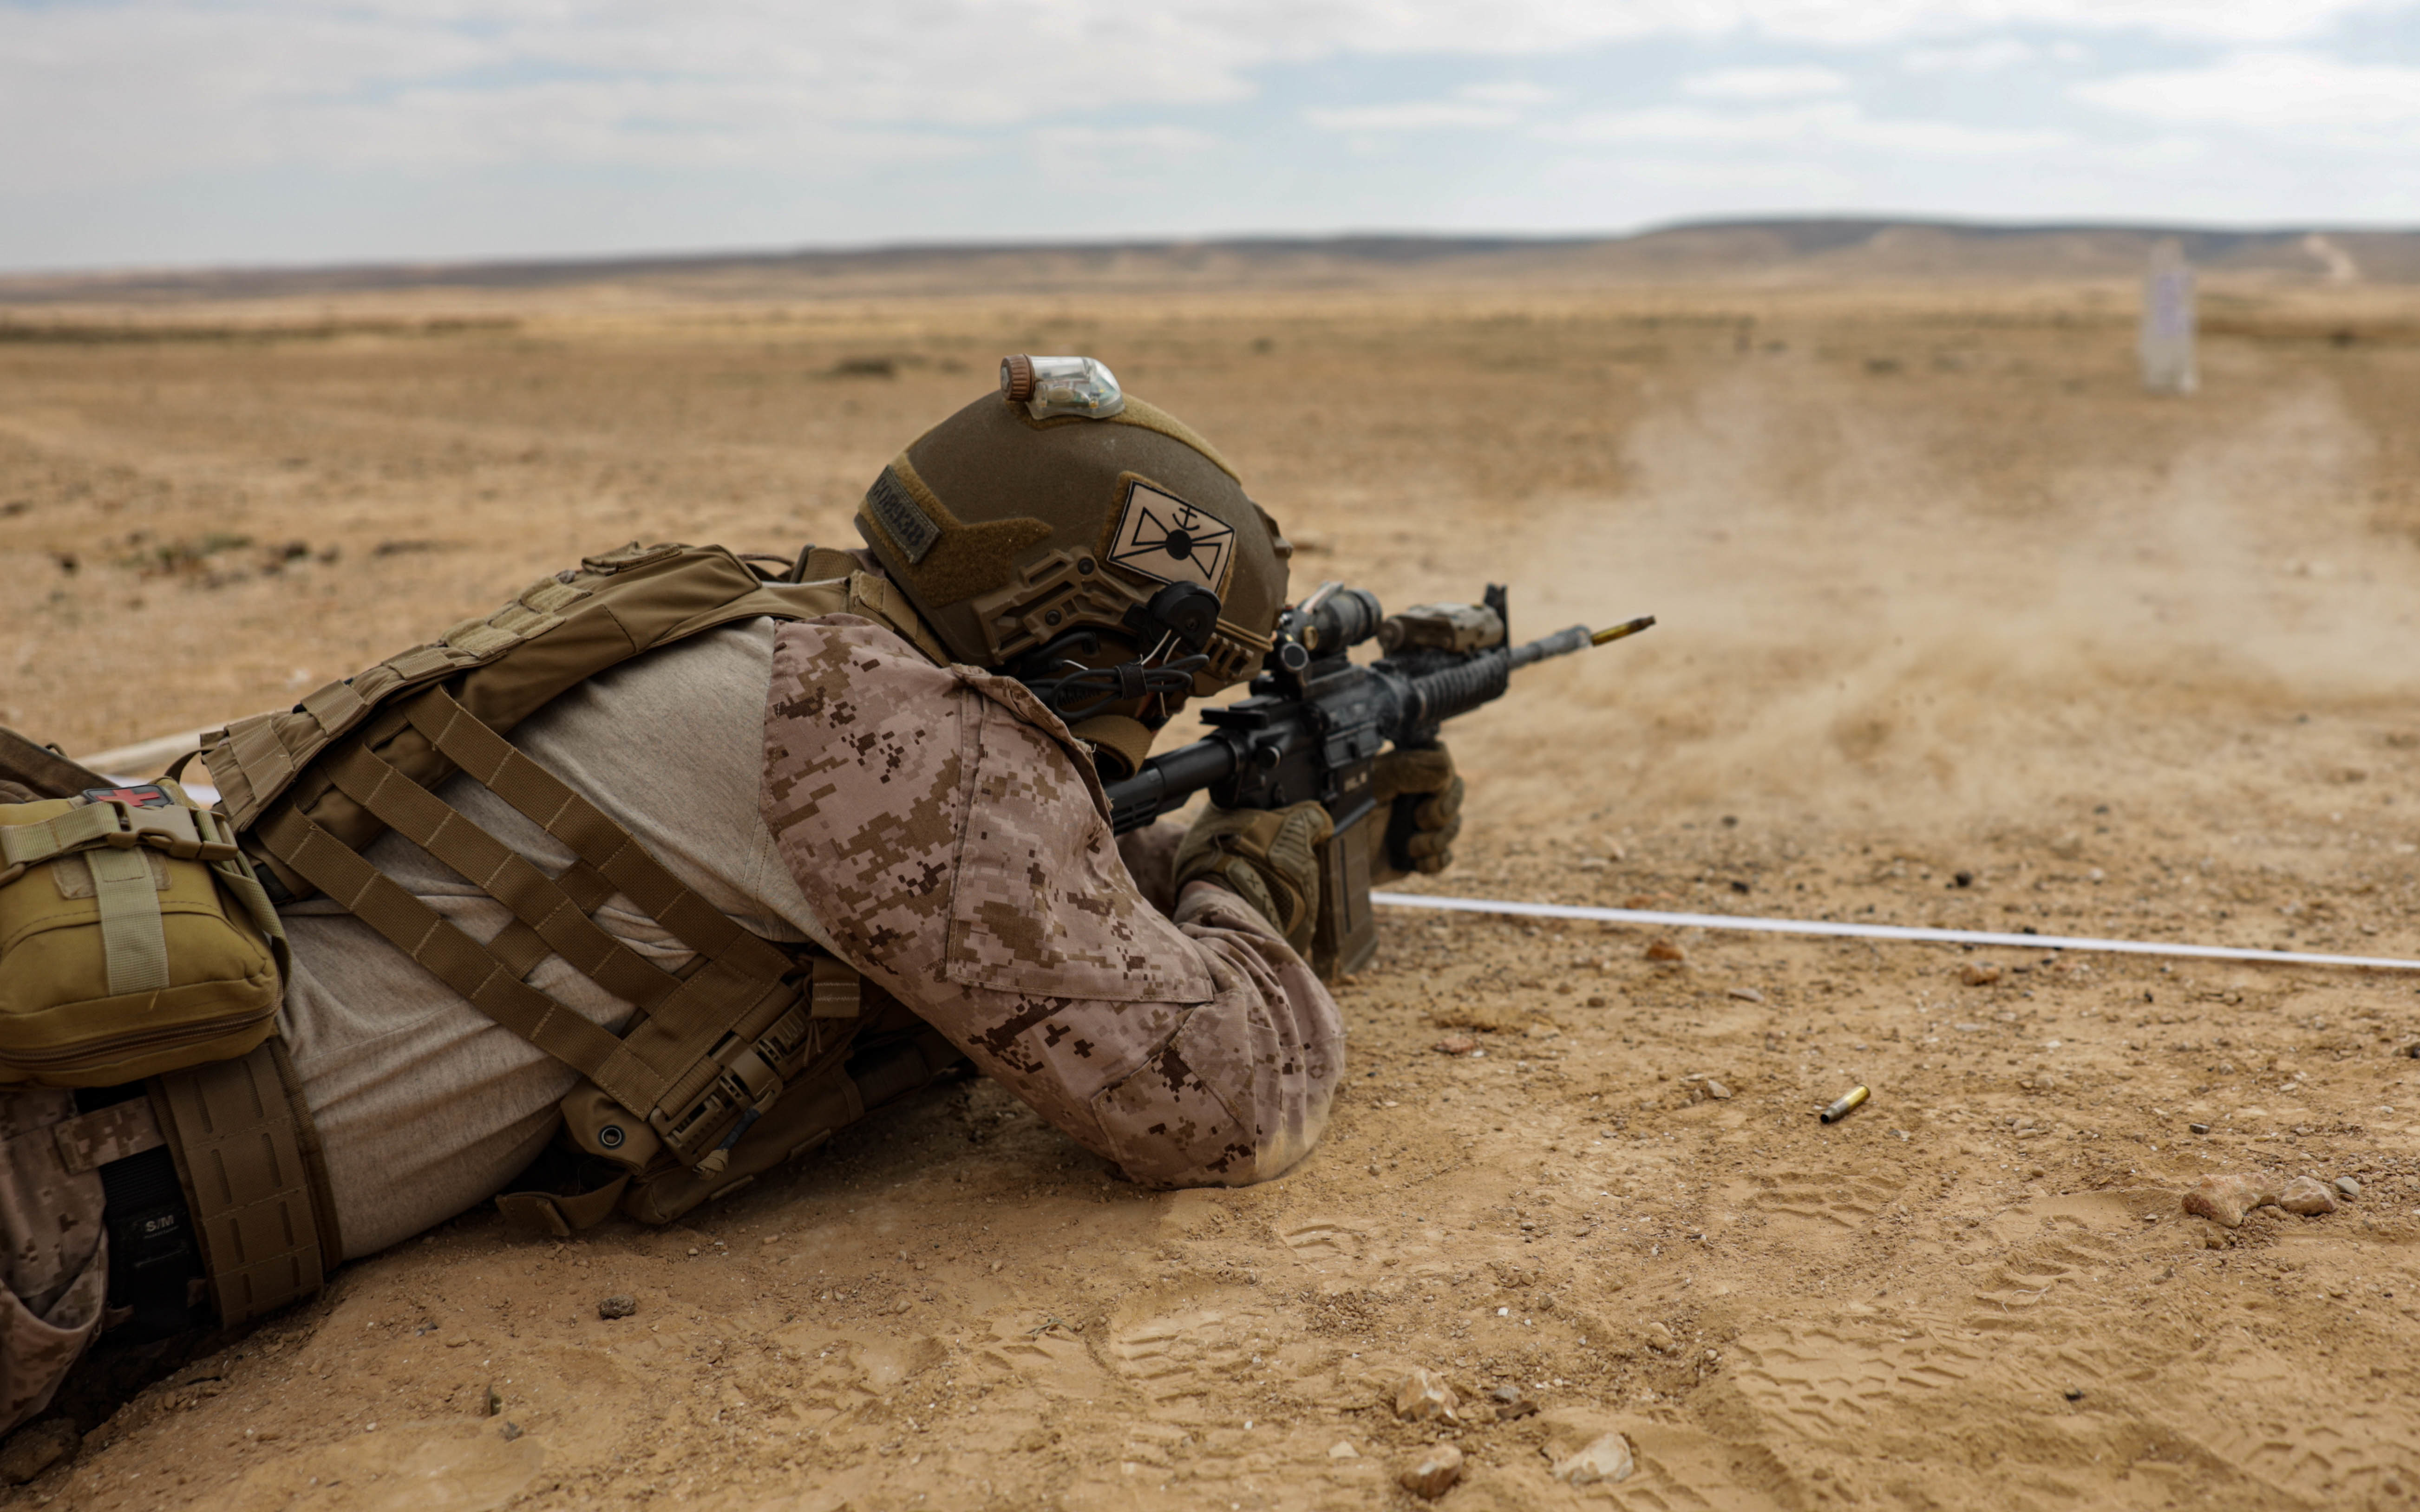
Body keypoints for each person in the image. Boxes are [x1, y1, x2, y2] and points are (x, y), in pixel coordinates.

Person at [0, 357, 1463, 1441]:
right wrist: (1260, 863)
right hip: (64, 1212)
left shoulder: (759, 633)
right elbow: (1211, 1100)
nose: (1147, 722)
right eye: (1166, 685)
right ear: (1084, 626)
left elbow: (991, 896)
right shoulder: (895, 733)